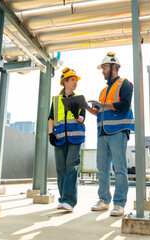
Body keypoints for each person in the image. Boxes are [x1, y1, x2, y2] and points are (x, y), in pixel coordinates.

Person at [87, 52, 134, 216]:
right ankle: (104, 200)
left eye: (105, 68)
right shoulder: (103, 91)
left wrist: (104, 105)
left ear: (114, 67)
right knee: (102, 169)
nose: (103, 71)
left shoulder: (125, 84)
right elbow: (100, 111)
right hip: (102, 132)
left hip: (118, 132)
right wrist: (87, 107)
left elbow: (125, 106)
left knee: (120, 169)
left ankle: (119, 203)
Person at [48, 67, 86, 212]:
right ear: (64, 82)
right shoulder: (56, 100)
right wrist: (51, 134)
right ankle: (63, 199)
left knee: (71, 167)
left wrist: (77, 115)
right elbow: (51, 118)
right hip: (59, 138)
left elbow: (82, 119)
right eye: (72, 80)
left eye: (76, 80)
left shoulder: (79, 99)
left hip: (75, 138)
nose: (75, 82)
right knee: (61, 169)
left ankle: (69, 201)